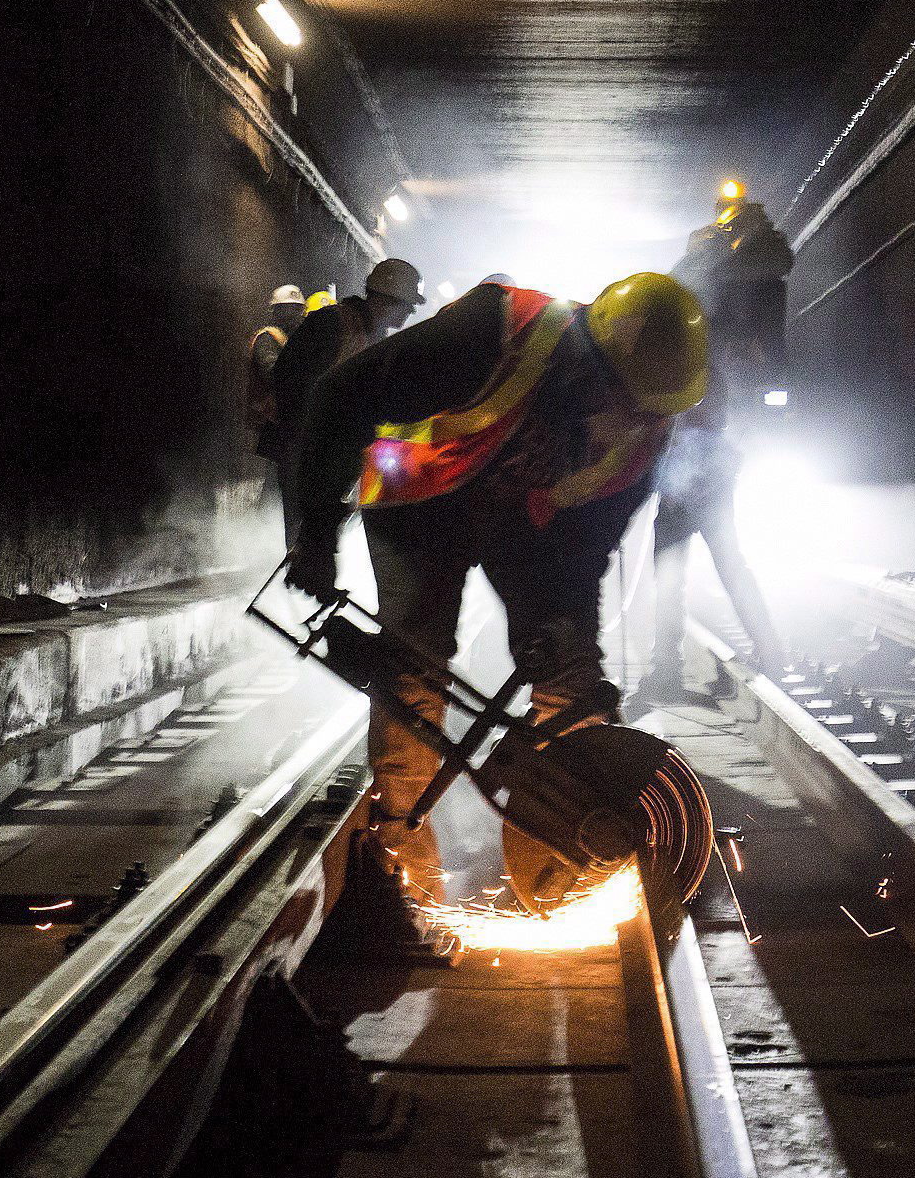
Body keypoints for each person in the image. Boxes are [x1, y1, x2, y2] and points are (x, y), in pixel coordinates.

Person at [285, 273, 709, 904]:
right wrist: (316, 538)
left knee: (567, 671)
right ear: (591, 360)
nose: (631, 421)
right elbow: (337, 397)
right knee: (416, 666)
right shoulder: (495, 330)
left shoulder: (642, 438)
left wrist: (565, 647)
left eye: (647, 412)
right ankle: (402, 858)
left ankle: (571, 838)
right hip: (420, 501)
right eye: (622, 401)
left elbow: (585, 558)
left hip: (522, 521)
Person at [638, 180, 790, 702]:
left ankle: (666, 670)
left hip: (693, 451)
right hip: (716, 448)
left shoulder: (697, 318)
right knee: (724, 555)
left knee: (670, 560)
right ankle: (771, 652)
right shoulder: (753, 294)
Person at [270, 258, 425, 514]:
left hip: (336, 452)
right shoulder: (332, 324)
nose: (411, 312)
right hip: (309, 450)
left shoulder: (374, 334)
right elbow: (289, 379)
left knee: (322, 526)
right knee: (308, 526)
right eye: (408, 304)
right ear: (387, 299)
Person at [245, 284, 308, 465]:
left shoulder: (297, 339)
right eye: (287, 309)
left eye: (297, 309)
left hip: (289, 419)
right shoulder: (267, 338)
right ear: (276, 312)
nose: (294, 315)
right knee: (276, 470)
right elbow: (274, 374)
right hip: (269, 419)